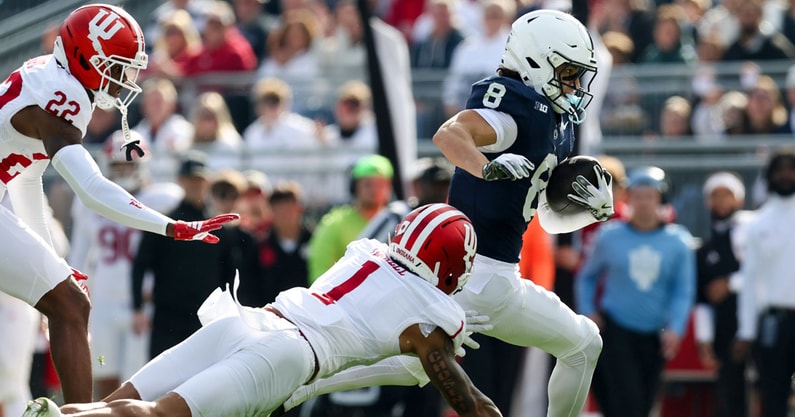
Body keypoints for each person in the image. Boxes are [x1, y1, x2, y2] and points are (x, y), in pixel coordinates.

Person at [283, 9, 612, 417]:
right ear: (535, 61)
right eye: (567, 72)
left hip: (495, 279)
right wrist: (486, 165)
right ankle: (290, 374)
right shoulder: (512, 111)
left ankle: (293, 377)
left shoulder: (551, 120)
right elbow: (450, 133)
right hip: (473, 275)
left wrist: (586, 203)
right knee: (580, 345)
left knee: (410, 366)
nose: (575, 85)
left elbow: (539, 210)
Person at [24, 204, 502, 417]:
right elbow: (472, 406)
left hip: (245, 318)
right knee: (159, 415)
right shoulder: (426, 317)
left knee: (113, 404)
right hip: (286, 352)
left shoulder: (368, 251)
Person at [0, 4, 238, 404]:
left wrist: (47, 258)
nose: (124, 78)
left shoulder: (48, 75)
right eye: (116, 66)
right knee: (72, 306)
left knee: (68, 303)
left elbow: (24, 176)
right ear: (84, 57)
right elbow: (91, 188)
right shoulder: (63, 95)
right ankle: (81, 413)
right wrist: (171, 226)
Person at [68, 131, 184, 398]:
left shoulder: (163, 199)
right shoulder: (89, 202)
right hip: (104, 299)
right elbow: (78, 255)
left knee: (139, 377)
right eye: (118, 165)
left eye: (128, 164)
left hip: (142, 302)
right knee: (103, 370)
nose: (122, 171)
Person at [576, 167, 696, 417]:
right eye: (638, 196)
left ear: (660, 199)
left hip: (655, 334)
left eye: (649, 196)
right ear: (628, 198)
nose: (643, 203)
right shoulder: (609, 236)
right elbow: (587, 276)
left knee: (643, 404)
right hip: (616, 329)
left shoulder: (678, 242)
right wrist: (588, 311)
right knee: (625, 400)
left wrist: (676, 327)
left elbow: (683, 289)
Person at [131, 152, 243, 360]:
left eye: (199, 180)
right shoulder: (164, 224)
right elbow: (140, 265)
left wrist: (231, 311)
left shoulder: (218, 227)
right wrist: (137, 307)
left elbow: (229, 272)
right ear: (180, 181)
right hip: (167, 316)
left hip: (206, 317)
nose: (195, 185)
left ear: (207, 182)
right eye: (191, 179)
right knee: (161, 378)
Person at [733, 148, 795, 417]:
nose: (785, 175)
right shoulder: (758, 223)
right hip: (773, 323)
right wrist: (747, 331)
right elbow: (750, 281)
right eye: (779, 169)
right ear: (769, 176)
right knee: (773, 396)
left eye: (791, 168)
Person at [694, 171, 754, 417]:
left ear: (738, 199)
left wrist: (731, 284)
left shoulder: (753, 231)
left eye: (726, 194)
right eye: (714, 195)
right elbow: (703, 297)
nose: (720, 200)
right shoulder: (705, 249)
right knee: (730, 394)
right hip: (725, 330)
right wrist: (704, 337)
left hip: (761, 325)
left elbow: (765, 273)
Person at [307, 154, 393, 282]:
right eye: (368, 184)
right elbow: (320, 270)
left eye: (380, 184)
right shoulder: (335, 223)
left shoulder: (399, 222)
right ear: (354, 187)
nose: (374, 190)